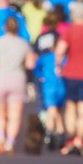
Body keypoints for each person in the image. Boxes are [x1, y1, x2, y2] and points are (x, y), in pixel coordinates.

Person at [0, 16, 37, 154]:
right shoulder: (24, 44)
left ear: (4, 28)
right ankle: (10, 142)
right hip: (17, 78)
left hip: (0, 77)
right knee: (15, 114)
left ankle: (0, 136)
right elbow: (30, 64)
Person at [55, 1, 83, 156]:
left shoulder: (69, 30)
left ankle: (70, 139)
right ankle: (80, 139)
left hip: (70, 73)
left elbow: (60, 51)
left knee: (71, 107)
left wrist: (58, 65)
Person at [32, 10, 67, 150]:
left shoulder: (43, 47)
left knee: (51, 109)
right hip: (62, 85)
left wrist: (38, 77)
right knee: (58, 110)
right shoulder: (64, 56)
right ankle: (61, 131)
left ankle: (50, 131)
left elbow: (36, 65)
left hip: (49, 85)